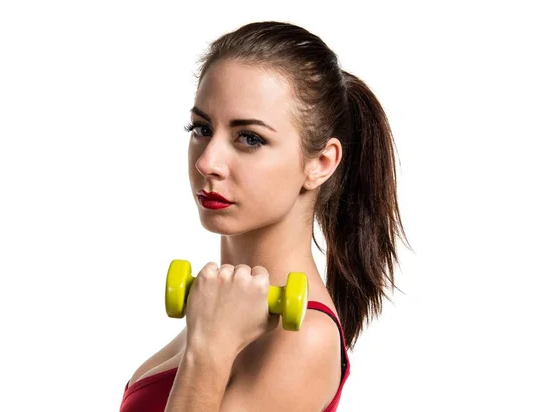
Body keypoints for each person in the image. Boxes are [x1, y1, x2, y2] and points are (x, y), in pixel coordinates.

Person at [119, 20, 409, 412]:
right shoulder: (223, 309)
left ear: (320, 163)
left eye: (250, 138)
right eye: (202, 128)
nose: (207, 162)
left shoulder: (305, 339)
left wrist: (211, 351)